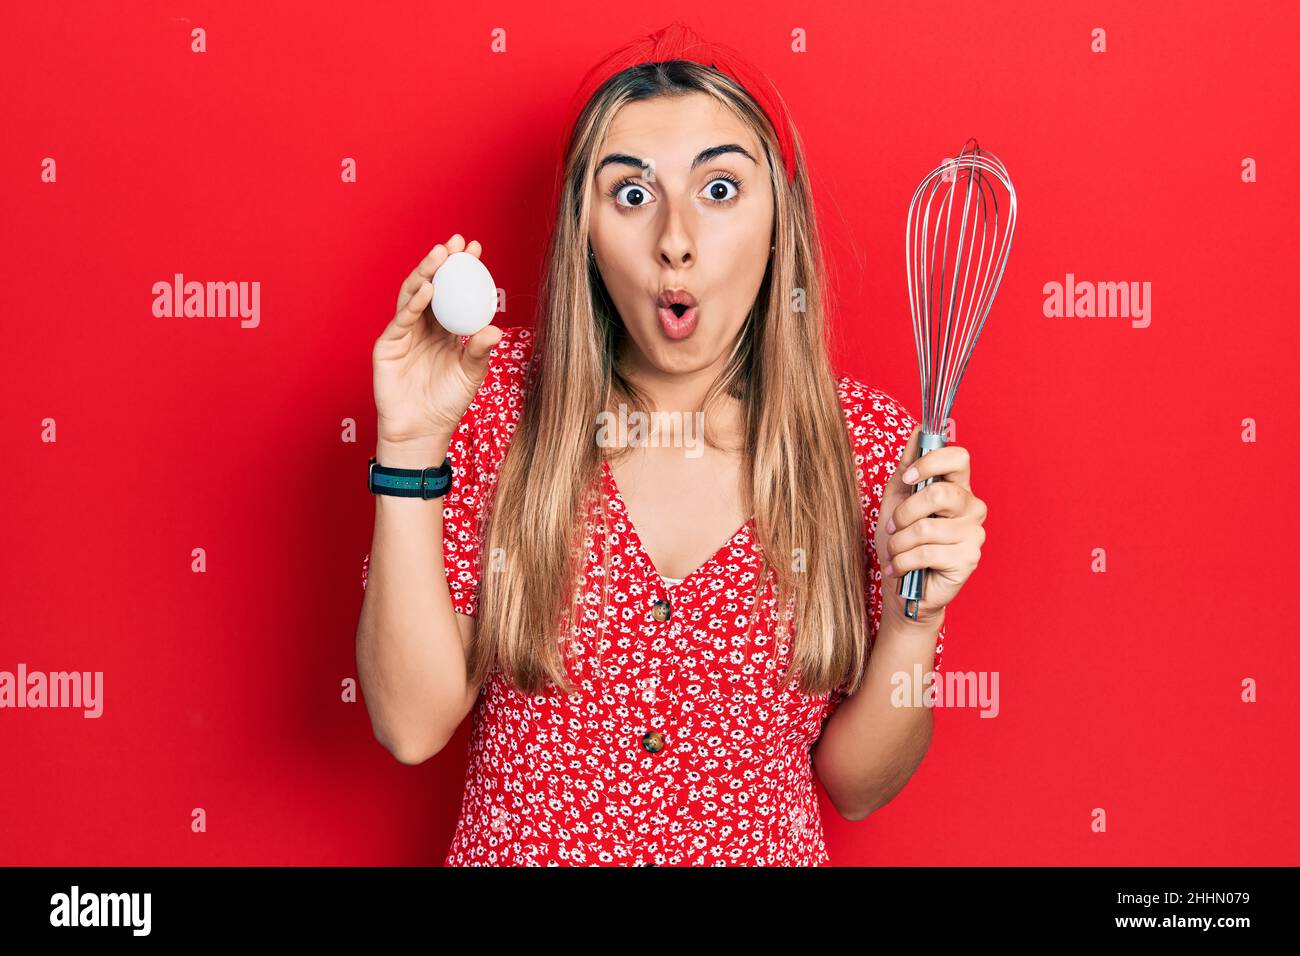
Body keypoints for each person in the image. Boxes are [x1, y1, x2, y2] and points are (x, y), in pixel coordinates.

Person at [355, 21, 987, 866]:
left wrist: (917, 621)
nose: (676, 238)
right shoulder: (493, 403)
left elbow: (858, 786)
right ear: (584, 232)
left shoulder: (867, 448)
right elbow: (410, 724)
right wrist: (408, 447)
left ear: (777, 226)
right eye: (632, 194)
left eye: (720, 190)